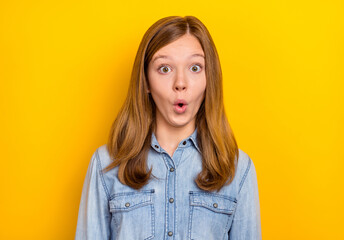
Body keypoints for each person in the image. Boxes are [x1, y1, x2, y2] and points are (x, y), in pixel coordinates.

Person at [75, 15, 261, 240]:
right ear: (145, 82)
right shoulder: (105, 165)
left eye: (194, 67)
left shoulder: (238, 169)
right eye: (164, 69)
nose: (180, 83)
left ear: (209, 78)